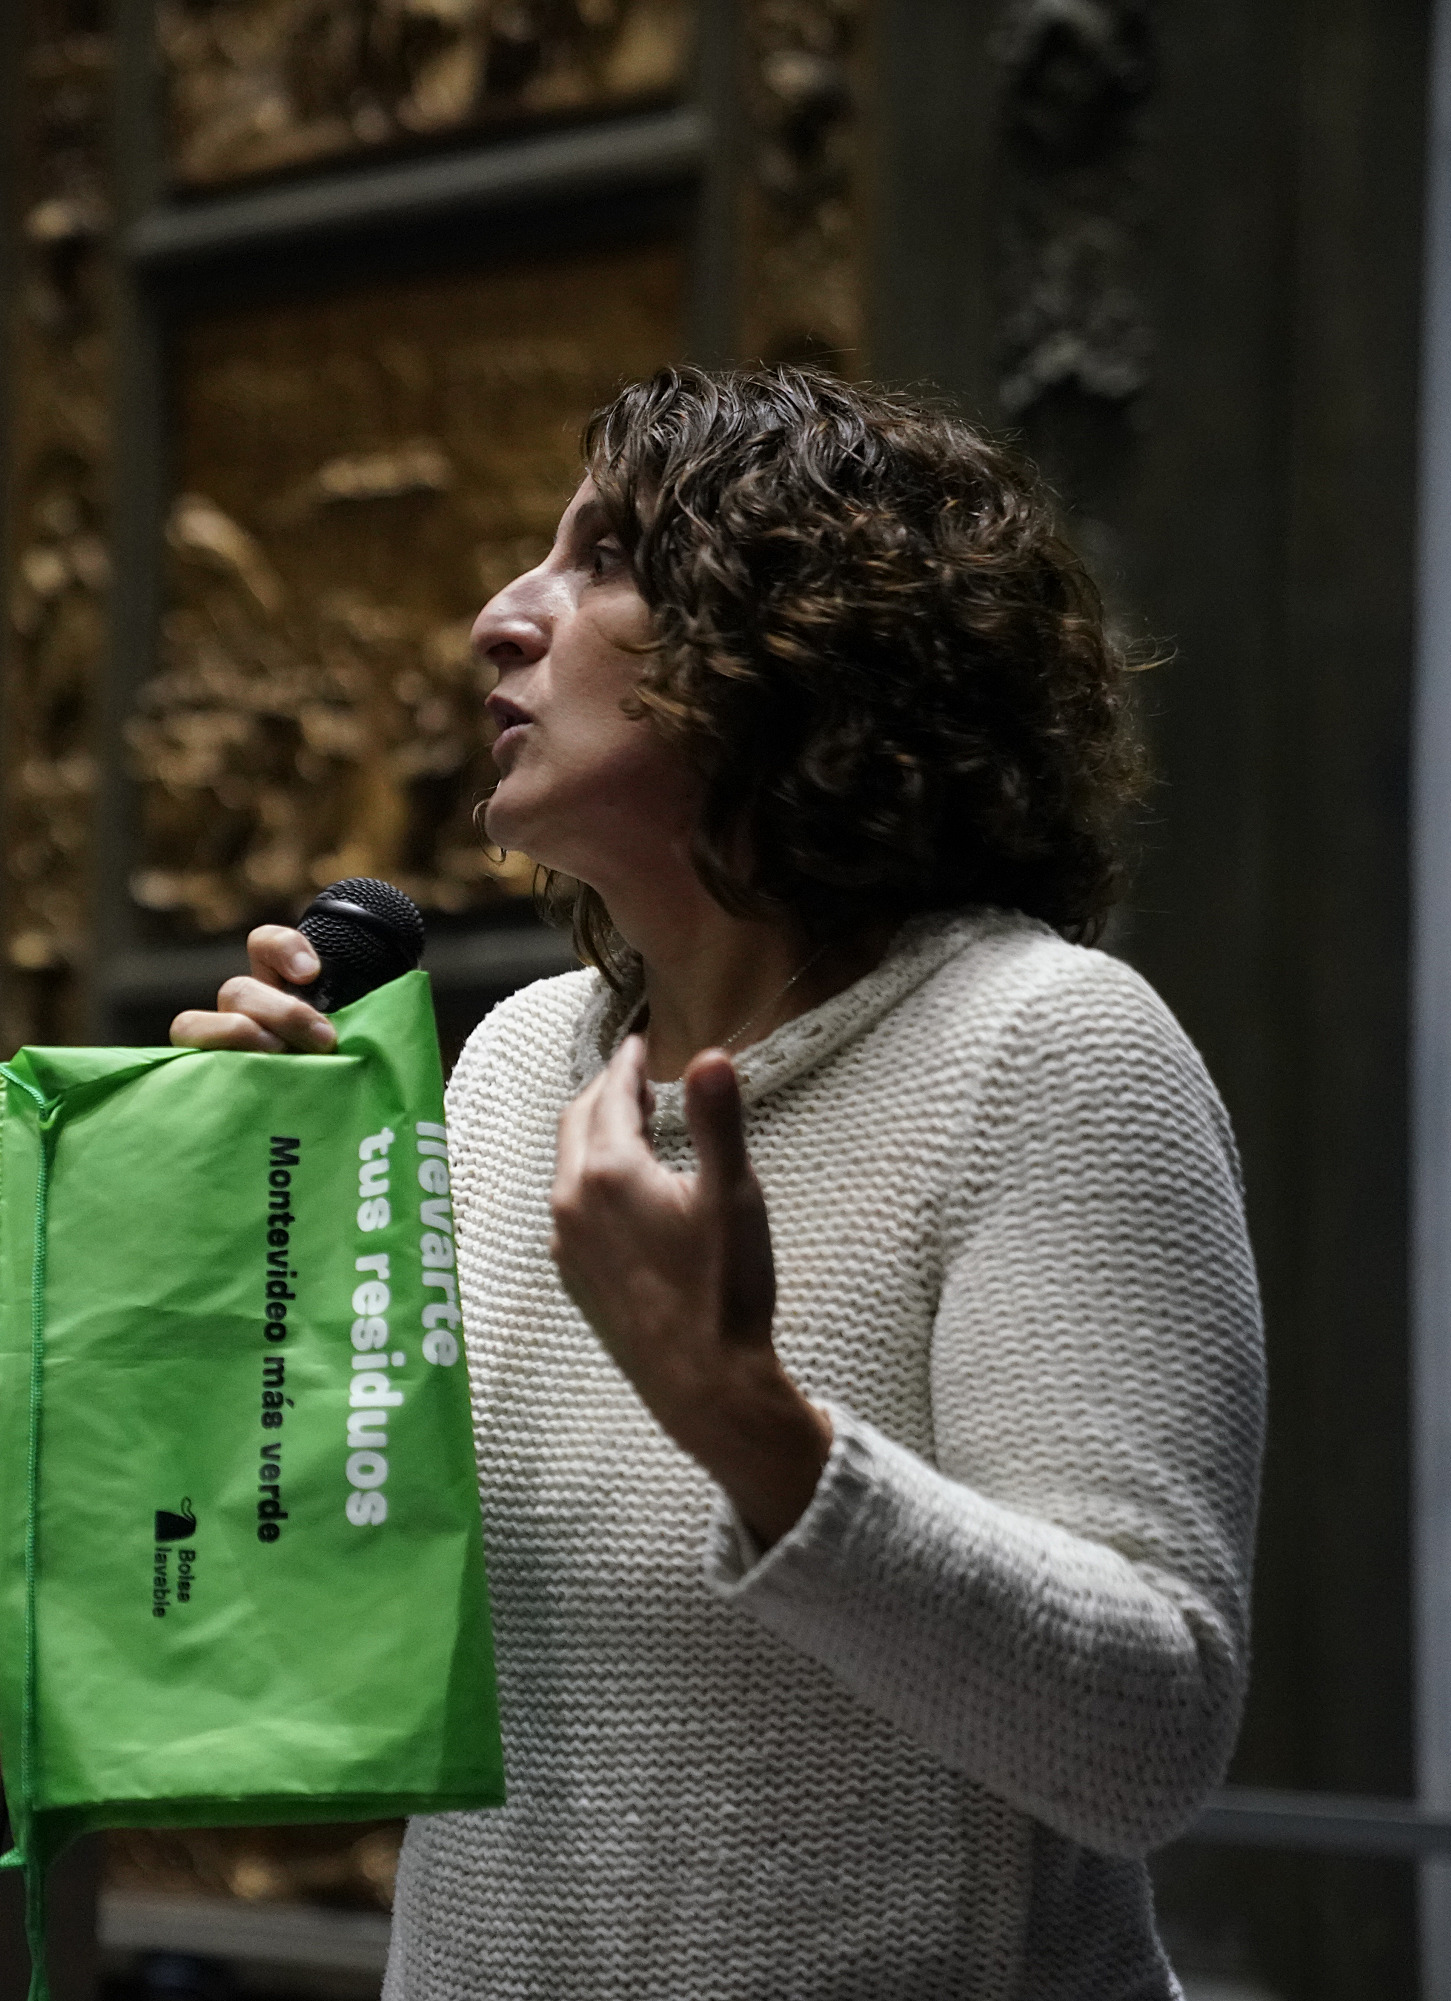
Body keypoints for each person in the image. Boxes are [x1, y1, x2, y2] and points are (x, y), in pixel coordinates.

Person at [173, 365, 1263, 1998]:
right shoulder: (517, 1064)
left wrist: (747, 1419)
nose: (497, 617)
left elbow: (1147, 1739)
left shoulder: (1046, 1049)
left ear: (809, 644)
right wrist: (267, 1269)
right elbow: (320, 1640)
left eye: (604, 558)